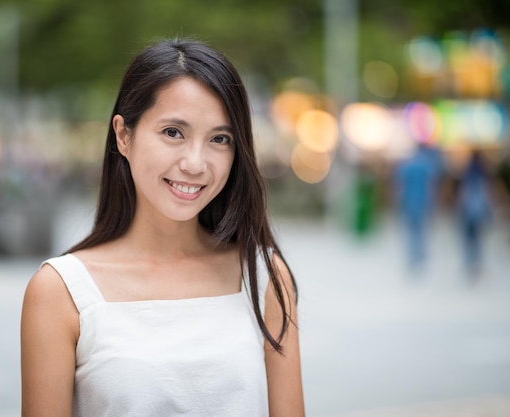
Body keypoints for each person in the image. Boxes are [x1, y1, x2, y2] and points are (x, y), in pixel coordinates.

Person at [20, 39, 304, 417]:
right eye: (173, 132)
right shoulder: (62, 291)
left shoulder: (264, 278)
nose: (195, 163)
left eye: (220, 139)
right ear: (124, 135)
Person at [394, 142, 443, 272]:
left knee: (411, 232)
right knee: (422, 231)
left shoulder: (407, 165)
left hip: (409, 202)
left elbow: (400, 186)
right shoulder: (427, 165)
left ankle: (413, 258)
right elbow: (431, 187)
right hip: (422, 202)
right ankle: (420, 256)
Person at [456, 150, 493, 278]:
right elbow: (488, 195)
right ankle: (477, 263)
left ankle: (470, 263)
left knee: (468, 239)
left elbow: (463, 194)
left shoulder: (467, 174)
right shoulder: (484, 174)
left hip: (468, 211)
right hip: (479, 211)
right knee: (478, 239)